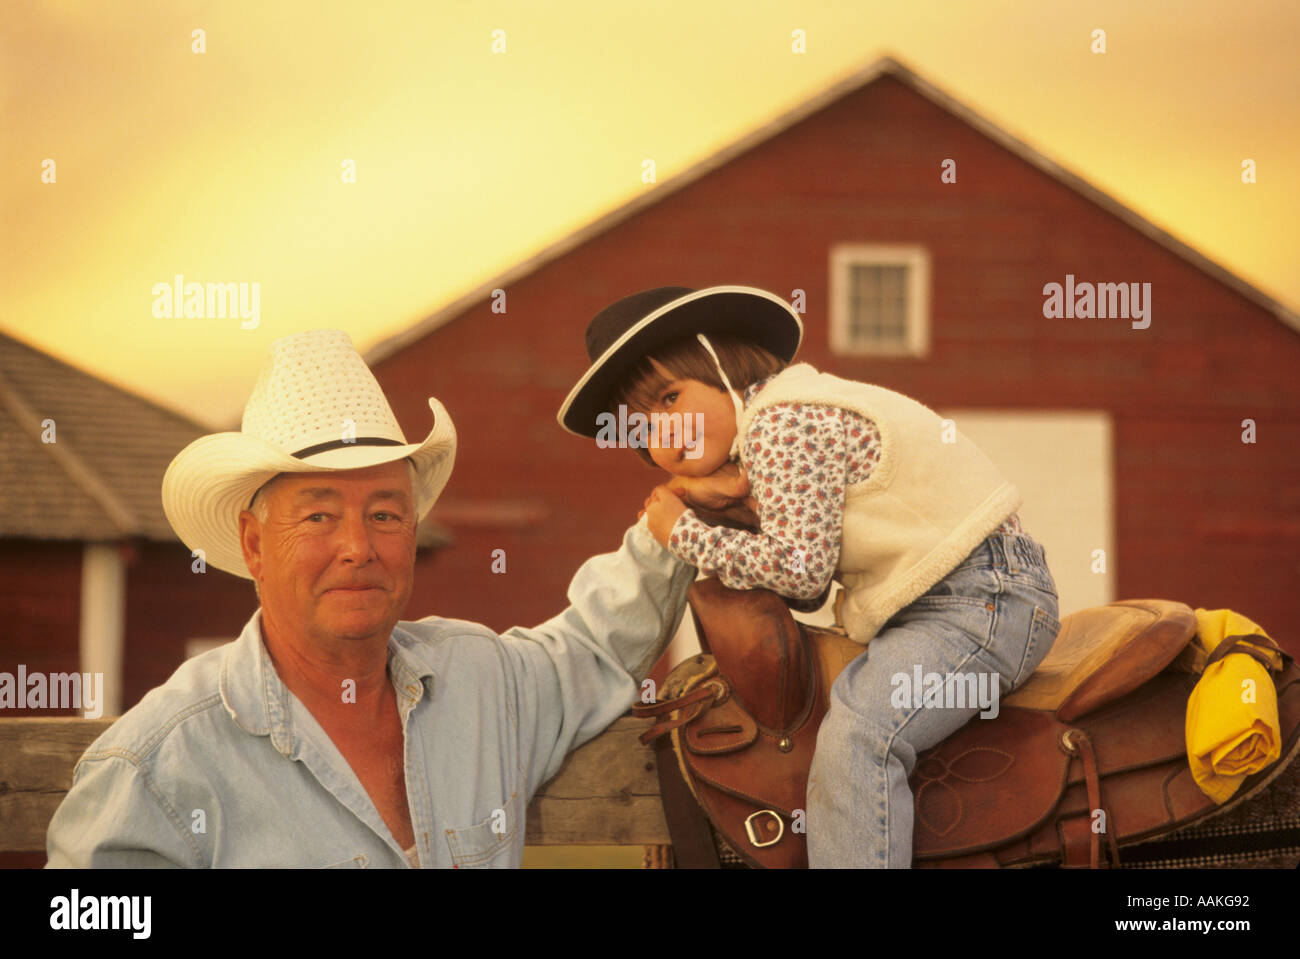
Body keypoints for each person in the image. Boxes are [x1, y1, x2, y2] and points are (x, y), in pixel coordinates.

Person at [45, 329, 696, 868]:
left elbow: (598, 640)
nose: (358, 546)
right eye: (319, 516)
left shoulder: (483, 682)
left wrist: (686, 511)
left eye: (385, 514)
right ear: (253, 543)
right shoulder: (157, 768)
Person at [557, 285, 1062, 868]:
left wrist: (684, 533)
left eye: (670, 398)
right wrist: (730, 502)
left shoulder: (783, 422)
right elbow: (813, 574)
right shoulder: (791, 411)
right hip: (966, 594)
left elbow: (800, 575)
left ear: (723, 367)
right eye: (640, 427)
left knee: (862, 736)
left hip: (979, 601)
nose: (662, 431)